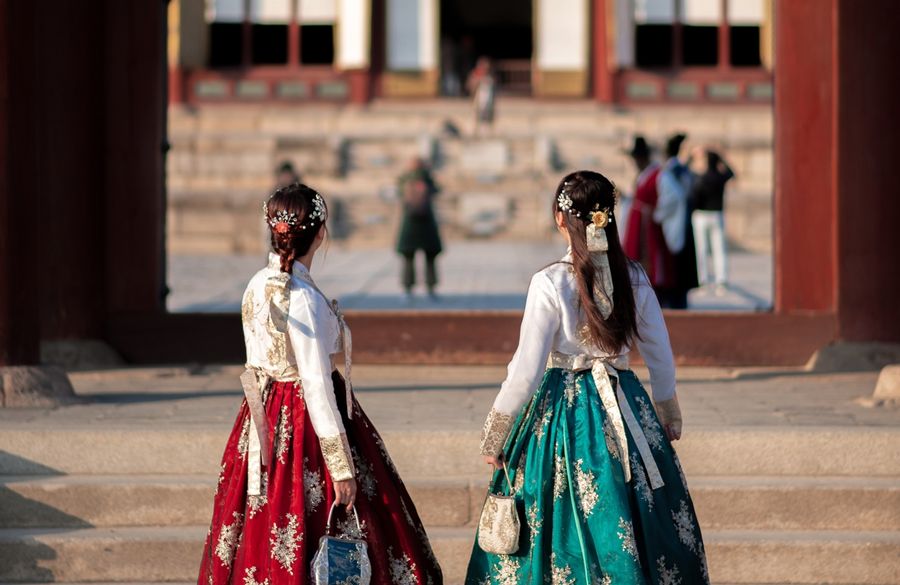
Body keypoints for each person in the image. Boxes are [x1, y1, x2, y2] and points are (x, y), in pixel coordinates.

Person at [466, 171, 709, 584]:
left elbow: (526, 369)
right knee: (636, 507)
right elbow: (659, 353)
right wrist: (667, 409)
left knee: (556, 517)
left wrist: (497, 432)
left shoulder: (549, 282)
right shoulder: (634, 276)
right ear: (608, 217)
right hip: (624, 403)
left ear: (561, 220)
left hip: (562, 409)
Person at [198, 184, 442, 584]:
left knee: (261, 522)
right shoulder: (303, 296)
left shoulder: (257, 283)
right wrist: (341, 467)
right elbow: (314, 383)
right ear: (321, 233)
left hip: (261, 417)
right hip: (302, 424)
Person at [622, 136, 676, 301]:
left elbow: (674, 196)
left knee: (651, 254)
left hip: (648, 224)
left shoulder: (660, 175)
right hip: (638, 220)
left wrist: (658, 213)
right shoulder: (642, 175)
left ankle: (654, 288)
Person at [655, 133, 700, 309]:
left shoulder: (671, 172)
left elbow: (675, 198)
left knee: (675, 264)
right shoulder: (682, 170)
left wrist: (659, 214)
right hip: (683, 222)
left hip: (673, 223)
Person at [396, 157, 443, 300]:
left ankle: (407, 289)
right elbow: (437, 190)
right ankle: (431, 288)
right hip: (426, 222)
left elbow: (399, 193)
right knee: (430, 258)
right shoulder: (427, 178)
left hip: (410, 223)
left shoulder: (404, 179)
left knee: (408, 258)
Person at [691, 148, 734, 291]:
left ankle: (702, 278)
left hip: (701, 215)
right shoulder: (720, 177)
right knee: (719, 249)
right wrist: (721, 158)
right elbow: (731, 173)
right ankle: (721, 278)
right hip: (717, 215)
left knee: (701, 249)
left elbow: (695, 197)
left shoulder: (702, 178)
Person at [466, 57, 497, 137]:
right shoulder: (475, 74)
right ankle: (474, 132)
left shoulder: (490, 76)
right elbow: (469, 85)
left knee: (487, 118)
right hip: (477, 100)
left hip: (487, 102)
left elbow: (493, 87)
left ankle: (487, 132)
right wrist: (476, 81)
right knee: (476, 116)